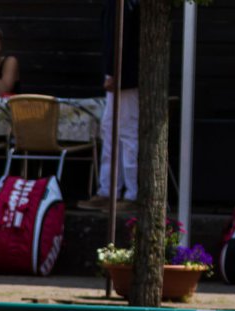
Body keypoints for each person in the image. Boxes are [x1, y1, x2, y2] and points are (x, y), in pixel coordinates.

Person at [80, 0, 140, 212]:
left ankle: (132, 193)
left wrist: (114, 72)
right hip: (121, 76)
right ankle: (109, 190)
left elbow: (122, 39)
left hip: (126, 77)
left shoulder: (124, 4)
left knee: (126, 132)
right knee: (111, 130)